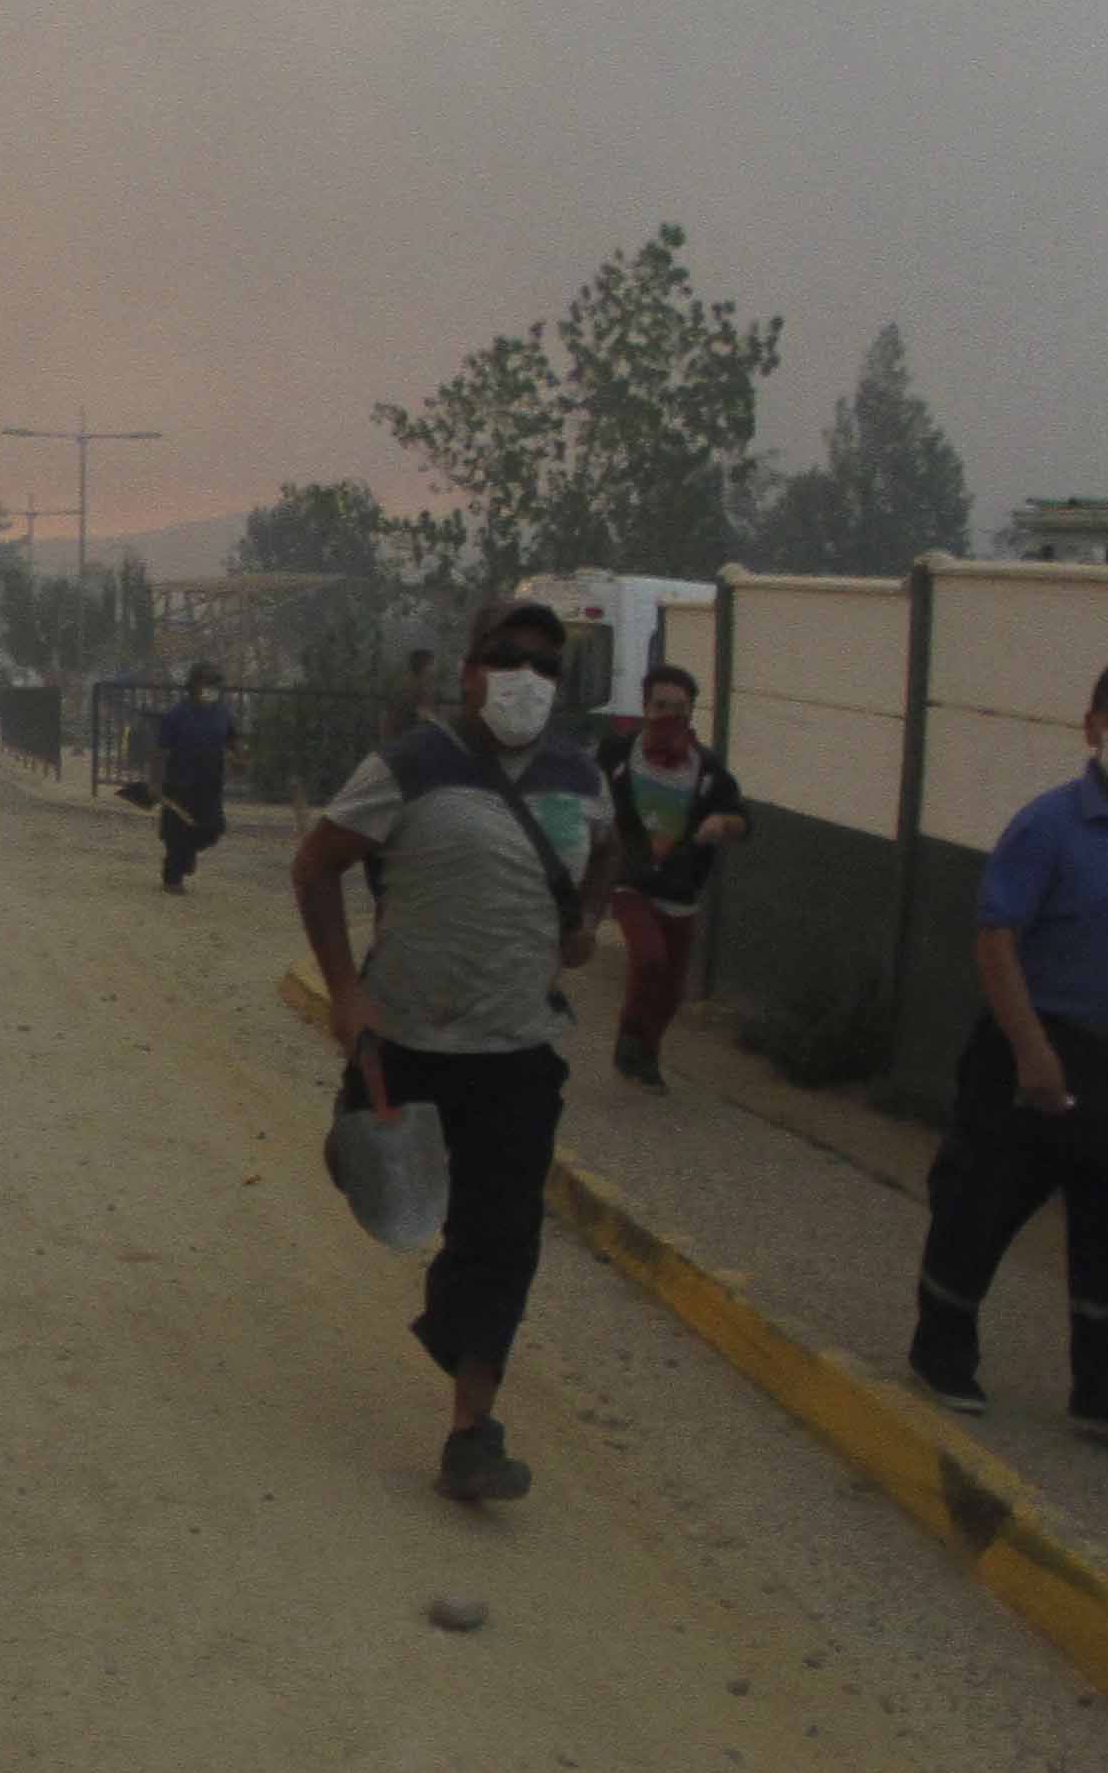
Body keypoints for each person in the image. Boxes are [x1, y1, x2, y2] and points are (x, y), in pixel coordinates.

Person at [292, 598, 617, 1505]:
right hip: (407, 1038)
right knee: (399, 1195)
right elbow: (315, 865)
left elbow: (608, 853)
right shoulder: (412, 764)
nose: (529, 678)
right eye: (510, 658)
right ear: (472, 671)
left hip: (519, 1046)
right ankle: (358, 1125)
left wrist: (586, 922)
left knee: (501, 1235)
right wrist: (344, 993)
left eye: (549, 666)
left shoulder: (581, 775)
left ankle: (471, 1430)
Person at [910, 661, 1108, 1460]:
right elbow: (995, 937)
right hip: (1029, 1044)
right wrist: (1032, 1051)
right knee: (983, 1199)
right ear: (1090, 727)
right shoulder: (1047, 826)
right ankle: (942, 1346)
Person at [595, 662, 749, 1087]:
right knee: (649, 957)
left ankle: (647, 1053)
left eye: (681, 708)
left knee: (672, 990)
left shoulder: (707, 770)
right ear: (645, 707)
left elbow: (741, 818)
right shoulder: (617, 755)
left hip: (682, 889)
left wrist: (722, 823)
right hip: (632, 881)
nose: (670, 716)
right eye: (661, 705)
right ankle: (629, 1034)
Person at [151, 663, 237, 892]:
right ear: (194, 686)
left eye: (215, 684)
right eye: (207, 683)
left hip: (210, 783)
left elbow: (232, 741)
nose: (212, 689)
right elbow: (161, 752)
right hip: (179, 783)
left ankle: (188, 852)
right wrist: (156, 783)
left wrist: (238, 757)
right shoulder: (177, 715)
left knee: (213, 828)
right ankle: (173, 878)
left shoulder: (223, 713)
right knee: (176, 833)